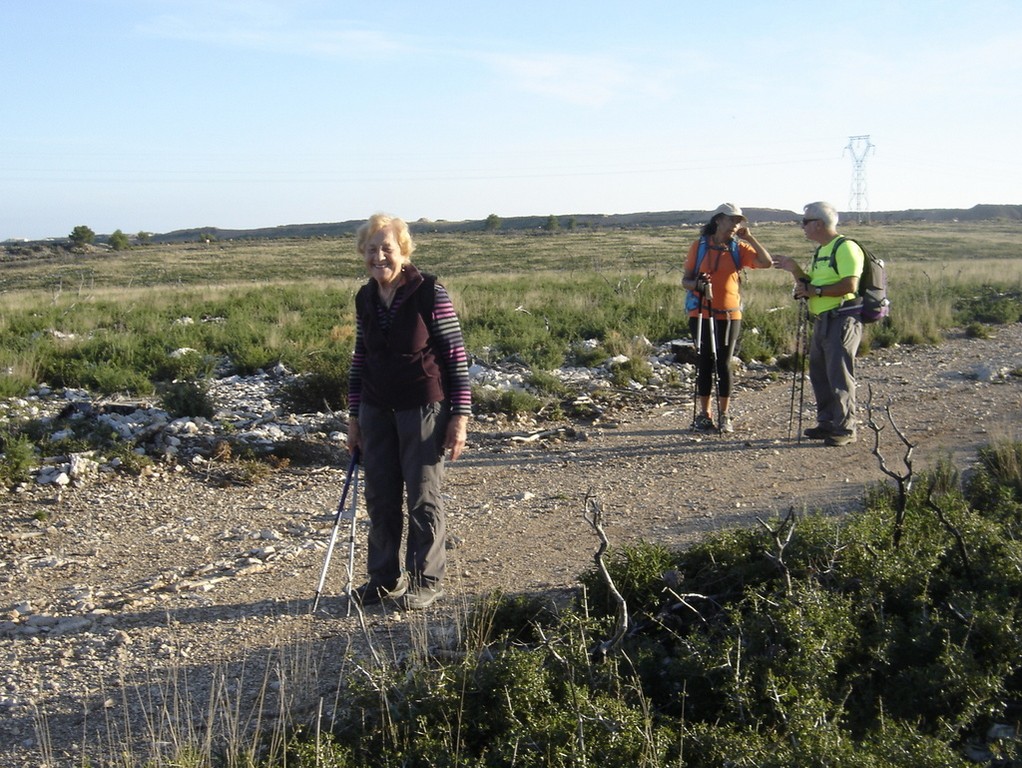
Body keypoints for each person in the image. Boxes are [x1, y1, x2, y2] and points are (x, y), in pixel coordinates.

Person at [346, 213, 471, 609]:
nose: (378, 256)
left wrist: (460, 417)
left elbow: (455, 357)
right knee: (380, 497)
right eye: (371, 249)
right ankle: (383, 579)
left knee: (422, 496)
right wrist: (353, 418)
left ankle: (426, 580)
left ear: (403, 251)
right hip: (375, 409)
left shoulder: (430, 292)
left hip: (423, 408)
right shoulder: (365, 297)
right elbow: (360, 358)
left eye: (387, 248)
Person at [773, 201, 864, 446]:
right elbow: (811, 283)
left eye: (805, 222)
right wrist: (795, 271)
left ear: (819, 224)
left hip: (842, 318)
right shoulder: (821, 251)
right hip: (823, 319)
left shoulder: (845, 248)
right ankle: (827, 423)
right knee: (820, 374)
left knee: (839, 375)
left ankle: (845, 428)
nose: (802, 227)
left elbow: (849, 286)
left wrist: (816, 291)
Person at [682, 203, 772, 433]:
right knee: (704, 362)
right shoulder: (699, 246)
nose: (736, 224)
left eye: (738, 221)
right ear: (718, 219)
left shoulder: (738, 248)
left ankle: (724, 415)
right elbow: (686, 280)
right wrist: (698, 286)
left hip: (730, 314)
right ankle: (705, 414)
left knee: (723, 363)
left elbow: (766, 262)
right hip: (701, 312)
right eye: (732, 220)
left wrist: (750, 239)